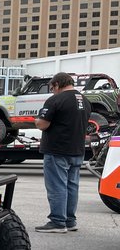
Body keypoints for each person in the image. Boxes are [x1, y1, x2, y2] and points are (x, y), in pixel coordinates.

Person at [34, 72, 90, 233]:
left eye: (52, 88)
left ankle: (58, 221)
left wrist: (36, 120)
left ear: (57, 84)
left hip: (57, 149)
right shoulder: (84, 100)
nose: (52, 91)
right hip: (77, 149)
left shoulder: (56, 100)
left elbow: (43, 124)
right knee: (72, 186)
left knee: (57, 186)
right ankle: (70, 220)